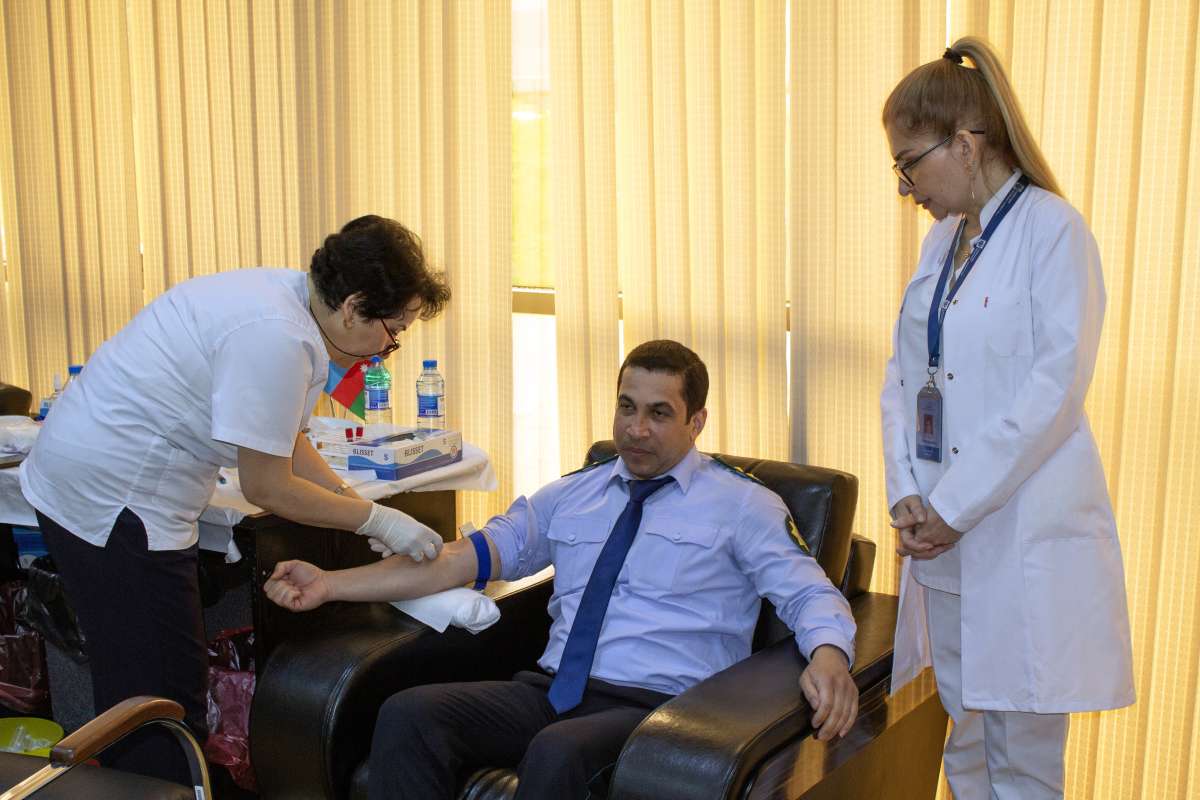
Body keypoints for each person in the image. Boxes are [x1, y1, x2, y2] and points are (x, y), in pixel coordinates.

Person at [266, 339, 859, 800]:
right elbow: (454, 560)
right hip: (551, 693)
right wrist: (330, 585)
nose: (636, 429)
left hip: (658, 712)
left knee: (558, 750)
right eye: (626, 407)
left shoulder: (744, 506)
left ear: (696, 422)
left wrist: (830, 655)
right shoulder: (574, 495)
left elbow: (810, 594)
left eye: (659, 413)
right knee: (411, 714)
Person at [18, 215, 450, 782]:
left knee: (151, 677)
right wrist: (378, 520)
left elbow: (282, 437)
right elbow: (267, 486)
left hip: (98, 475)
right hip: (116, 498)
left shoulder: (291, 302)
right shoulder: (277, 336)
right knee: (157, 699)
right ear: (353, 307)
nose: (389, 348)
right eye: (394, 331)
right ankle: (158, 788)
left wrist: (348, 500)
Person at [880, 37, 1134, 799]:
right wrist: (907, 493)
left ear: (965, 144)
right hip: (943, 540)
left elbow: (1054, 392)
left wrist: (953, 506)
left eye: (909, 163)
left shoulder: (1054, 232)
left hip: (1019, 534)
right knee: (965, 743)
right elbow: (903, 376)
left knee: (1022, 761)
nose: (906, 187)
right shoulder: (941, 242)